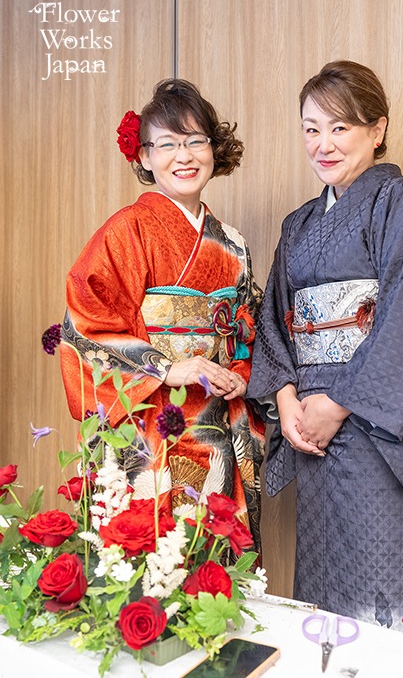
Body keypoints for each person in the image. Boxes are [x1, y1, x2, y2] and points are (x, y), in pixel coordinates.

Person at [247, 60, 403, 633]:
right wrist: (287, 400)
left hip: (378, 435)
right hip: (312, 432)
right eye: (311, 129)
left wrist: (338, 403)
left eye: (339, 127)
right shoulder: (297, 225)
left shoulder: (402, 201)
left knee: (387, 590)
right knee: (325, 599)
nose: (323, 144)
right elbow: (275, 321)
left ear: (377, 128)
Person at [60, 79, 265, 552]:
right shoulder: (126, 231)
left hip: (216, 426)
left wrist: (241, 374)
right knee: (151, 557)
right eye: (167, 144)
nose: (184, 156)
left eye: (195, 141)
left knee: (214, 560)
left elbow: (248, 329)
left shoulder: (233, 244)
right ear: (145, 157)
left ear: (214, 148)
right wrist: (167, 368)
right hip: (150, 425)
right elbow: (85, 324)